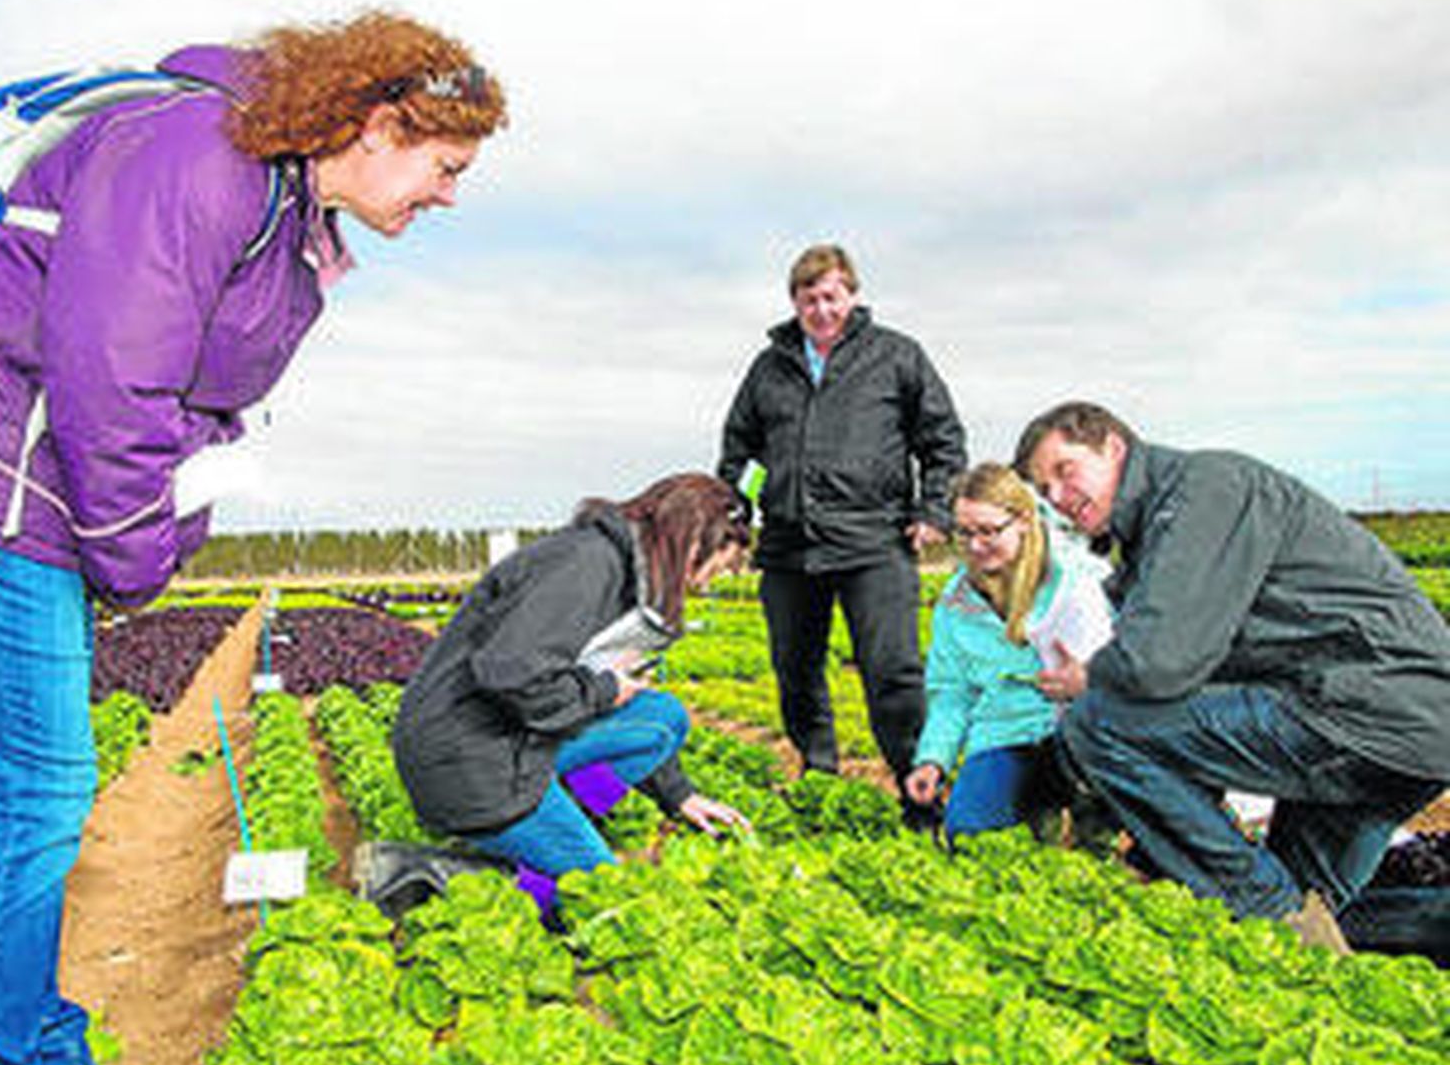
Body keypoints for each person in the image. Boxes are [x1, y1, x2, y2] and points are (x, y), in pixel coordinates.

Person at [0, 11, 506, 1065]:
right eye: (445, 166)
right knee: (31, 792)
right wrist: (135, 559)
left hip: (3, 486)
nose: (447, 194)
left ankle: (16, 1056)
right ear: (383, 123)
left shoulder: (285, 210)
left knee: (25, 792)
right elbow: (111, 381)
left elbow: (192, 406)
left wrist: (158, 527)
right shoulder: (202, 160)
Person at [1014, 401, 1450, 949]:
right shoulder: (1160, 534)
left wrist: (1089, 680)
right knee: (1310, 914)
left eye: (1065, 469)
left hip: (1360, 709)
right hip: (1406, 736)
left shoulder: (1204, 489)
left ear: (1113, 447)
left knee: (1098, 721)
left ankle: (1274, 916)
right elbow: (1190, 695)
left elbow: (1156, 666)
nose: (1056, 496)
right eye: (1042, 488)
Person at [393, 473, 753, 918]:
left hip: (513, 737)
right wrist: (604, 691)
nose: (707, 585)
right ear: (695, 542)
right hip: (469, 757)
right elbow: (509, 672)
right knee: (597, 897)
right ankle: (443, 874)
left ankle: (566, 812)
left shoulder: (624, 570)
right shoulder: (586, 564)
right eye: (720, 567)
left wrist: (679, 796)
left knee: (662, 718)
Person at [716, 243, 967, 828]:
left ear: (851, 295)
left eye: (831, 296)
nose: (821, 309)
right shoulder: (768, 367)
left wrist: (934, 509)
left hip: (872, 541)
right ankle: (819, 776)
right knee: (795, 668)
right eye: (809, 300)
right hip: (788, 547)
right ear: (795, 305)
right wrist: (739, 517)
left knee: (892, 671)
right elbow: (739, 451)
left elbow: (942, 440)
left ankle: (920, 791)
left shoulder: (897, 357)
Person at [905, 463, 1111, 842]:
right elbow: (952, 691)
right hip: (1006, 732)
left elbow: (1121, 671)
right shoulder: (955, 602)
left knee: (1097, 819)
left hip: (1080, 732)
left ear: (1022, 521)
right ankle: (1041, 810)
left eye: (988, 531)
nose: (975, 545)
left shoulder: (1072, 581)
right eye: (964, 533)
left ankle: (1092, 813)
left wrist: (1084, 682)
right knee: (967, 834)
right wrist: (933, 760)